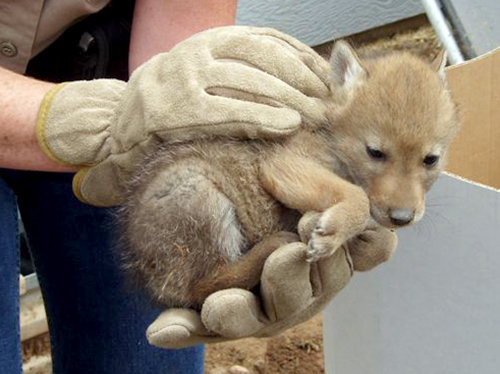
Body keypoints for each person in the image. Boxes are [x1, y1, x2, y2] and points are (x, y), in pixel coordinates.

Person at [1, 1, 348, 373]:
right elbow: (121, 126)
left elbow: (176, 63)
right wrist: (100, 126)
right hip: (97, 117)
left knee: (145, 356)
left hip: (104, 73)